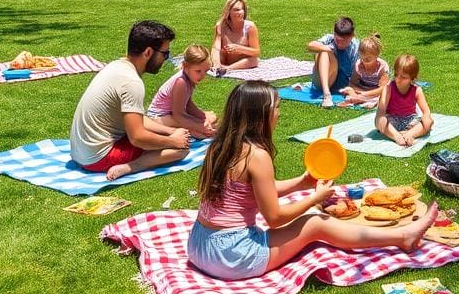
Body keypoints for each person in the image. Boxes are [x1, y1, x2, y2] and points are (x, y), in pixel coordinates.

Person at [187, 81, 439, 280]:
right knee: (315, 223)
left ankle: (400, 236)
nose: (279, 114)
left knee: (311, 221)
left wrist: (302, 182)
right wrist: (314, 198)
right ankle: (402, 236)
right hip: (232, 257)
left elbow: (253, 191)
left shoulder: (221, 146)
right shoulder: (257, 155)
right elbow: (274, 219)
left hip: (200, 246)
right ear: (260, 115)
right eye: (276, 108)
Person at [70, 21, 190, 181]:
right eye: (165, 54)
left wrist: (170, 132)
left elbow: (137, 119)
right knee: (180, 150)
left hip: (81, 152)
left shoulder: (116, 66)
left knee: (167, 139)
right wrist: (173, 141)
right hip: (97, 158)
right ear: (148, 52)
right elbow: (138, 137)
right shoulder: (131, 82)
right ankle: (130, 167)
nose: (165, 60)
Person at [146, 44, 218, 138]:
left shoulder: (189, 78)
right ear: (185, 66)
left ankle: (196, 130)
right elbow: (178, 115)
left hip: (170, 115)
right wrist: (200, 126)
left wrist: (203, 116)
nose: (202, 75)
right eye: (198, 71)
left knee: (210, 119)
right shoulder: (181, 82)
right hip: (158, 117)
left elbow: (188, 104)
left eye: (206, 71)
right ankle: (192, 132)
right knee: (201, 132)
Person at [375, 54, 433, 147]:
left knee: (429, 122)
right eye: (396, 75)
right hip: (392, 121)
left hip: (410, 121)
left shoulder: (417, 90)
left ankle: (409, 134)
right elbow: (380, 113)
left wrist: (426, 119)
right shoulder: (388, 88)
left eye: (403, 77)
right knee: (379, 121)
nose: (398, 79)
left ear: (412, 79)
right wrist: (381, 119)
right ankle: (397, 136)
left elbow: (426, 112)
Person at [308, 16, 360, 109]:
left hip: (343, 84)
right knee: (323, 51)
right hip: (324, 80)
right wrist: (329, 49)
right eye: (337, 40)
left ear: (352, 36)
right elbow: (310, 45)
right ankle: (326, 95)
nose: (339, 44)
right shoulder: (329, 39)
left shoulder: (356, 47)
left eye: (343, 41)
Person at [210, 0, 260, 75]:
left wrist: (239, 48)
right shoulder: (221, 26)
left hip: (242, 62)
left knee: (254, 60)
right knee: (213, 56)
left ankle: (227, 68)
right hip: (225, 59)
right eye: (236, 10)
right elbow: (216, 48)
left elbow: (256, 52)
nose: (241, 12)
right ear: (229, 12)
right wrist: (216, 63)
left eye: (242, 9)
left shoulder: (250, 27)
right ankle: (219, 67)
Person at [338, 33, 389, 107]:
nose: (365, 61)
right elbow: (352, 83)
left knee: (384, 95)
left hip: (376, 92)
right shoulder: (358, 65)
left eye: (368, 59)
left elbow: (383, 88)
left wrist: (366, 94)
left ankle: (357, 100)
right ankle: (357, 98)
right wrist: (359, 91)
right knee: (349, 89)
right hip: (362, 90)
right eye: (362, 58)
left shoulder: (382, 67)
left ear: (377, 55)